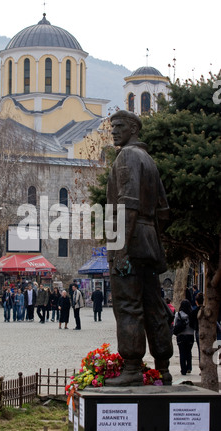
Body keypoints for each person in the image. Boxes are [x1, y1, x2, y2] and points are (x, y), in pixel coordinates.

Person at [106, 110, 173, 386]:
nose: (114, 131)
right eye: (112, 127)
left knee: (128, 305)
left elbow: (128, 203)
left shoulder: (128, 157)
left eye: (119, 126)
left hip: (129, 239)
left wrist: (120, 248)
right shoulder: (149, 159)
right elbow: (164, 211)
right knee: (153, 305)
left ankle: (132, 367)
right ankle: (163, 368)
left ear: (134, 128)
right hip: (148, 241)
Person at [174, 299, 195, 375]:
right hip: (190, 335)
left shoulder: (178, 314)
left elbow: (175, 324)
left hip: (181, 335)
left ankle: (183, 369)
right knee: (189, 352)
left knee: (182, 353)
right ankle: (189, 367)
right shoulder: (192, 314)